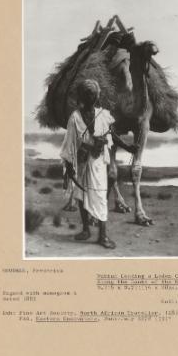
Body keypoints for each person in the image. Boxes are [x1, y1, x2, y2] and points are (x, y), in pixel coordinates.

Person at [60, 79, 136, 249]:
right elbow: (69, 142)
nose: (91, 97)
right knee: (81, 194)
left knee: (100, 197)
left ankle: (103, 235)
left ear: (96, 96)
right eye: (87, 94)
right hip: (82, 160)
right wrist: (69, 166)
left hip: (99, 162)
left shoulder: (103, 114)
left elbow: (113, 135)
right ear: (82, 96)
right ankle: (86, 229)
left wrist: (128, 147)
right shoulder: (75, 117)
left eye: (93, 94)